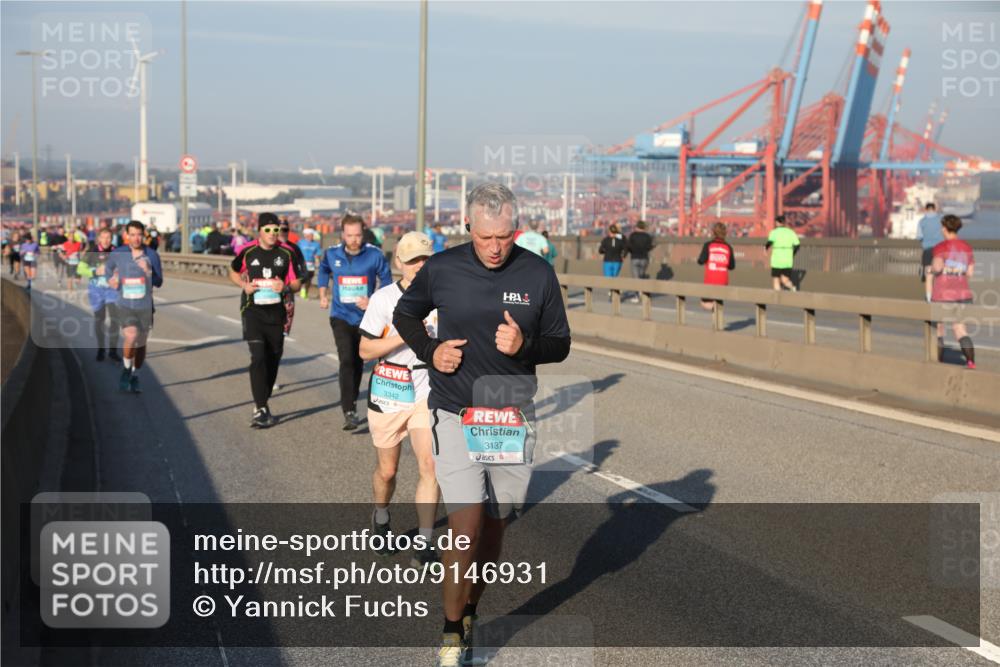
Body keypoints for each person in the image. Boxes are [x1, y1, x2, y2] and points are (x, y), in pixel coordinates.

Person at [393, 183, 571, 667]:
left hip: (510, 415)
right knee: (466, 530)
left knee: (494, 532)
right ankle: (451, 635)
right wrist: (431, 352)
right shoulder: (443, 268)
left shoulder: (538, 273)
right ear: (469, 226)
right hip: (454, 412)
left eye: (506, 236)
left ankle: (469, 608)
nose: (495, 248)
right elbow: (404, 313)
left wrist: (525, 346)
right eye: (486, 236)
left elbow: (560, 342)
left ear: (517, 229)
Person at [358, 231, 441, 567]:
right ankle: (380, 516)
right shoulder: (383, 299)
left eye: (425, 259)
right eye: (412, 261)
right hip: (390, 384)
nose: (419, 267)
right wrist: (399, 336)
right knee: (388, 471)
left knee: (430, 465)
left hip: (427, 385)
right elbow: (364, 351)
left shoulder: (445, 298)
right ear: (398, 263)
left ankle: (424, 541)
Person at [317, 214, 392, 431]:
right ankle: (349, 410)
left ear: (363, 233)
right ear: (343, 234)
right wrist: (323, 292)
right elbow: (323, 270)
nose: (354, 239)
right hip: (340, 315)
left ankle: (365, 402)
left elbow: (386, 281)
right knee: (347, 360)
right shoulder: (332, 254)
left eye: (358, 235)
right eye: (349, 235)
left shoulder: (374, 255)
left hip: (367, 318)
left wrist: (373, 300)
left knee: (359, 361)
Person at [229, 213, 302, 428]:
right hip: (252, 311)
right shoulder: (248, 251)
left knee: (273, 359)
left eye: (276, 230)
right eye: (268, 230)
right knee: (258, 356)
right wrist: (244, 286)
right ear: (260, 231)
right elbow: (233, 271)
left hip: (276, 314)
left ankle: (263, 400)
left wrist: (286, 287)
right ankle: (260, 407)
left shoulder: (286, 253)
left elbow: (297, 283)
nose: (272, 234)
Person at [105, 220, 163, 393]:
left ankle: (135, 374)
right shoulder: (118, 253)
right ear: (126, 236)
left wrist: (149, 272)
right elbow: (108, 270)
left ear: (143, 235)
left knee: (141, 343)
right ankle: (126, 368)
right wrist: (111, 280)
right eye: (132, 235)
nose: (136, 238)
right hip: (125, 303)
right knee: (131, 336)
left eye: (139, 235)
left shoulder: (152, 255)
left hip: (145, 305)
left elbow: (159, 282)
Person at [929, 214, 976, 369]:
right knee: (960, 329)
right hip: (963, 294)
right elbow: (970, 273)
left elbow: (937, 268)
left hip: (943, 294)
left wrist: (931, 269)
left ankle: (938, 361)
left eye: (942, 227)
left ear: (945, 228)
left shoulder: (940, 247)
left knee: (939, 329)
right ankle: (970, 361)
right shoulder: (967, 247)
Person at [79, 228, 121, 361]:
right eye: (103, 237)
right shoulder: (92, 252)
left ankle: (113, 351)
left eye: (109, 237)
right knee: (99, 320)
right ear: (99, 239)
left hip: (112, 290)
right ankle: (101, 349)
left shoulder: (117, 251)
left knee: (115, 319)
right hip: (96, 291)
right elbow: (80, 269)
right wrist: (95, 271)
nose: (106, 240)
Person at [697, 222, 736, 311]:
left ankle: (713, 308)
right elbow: (732, 266)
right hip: (723, 281)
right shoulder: (728, 247)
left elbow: (700, 261)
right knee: (718, 300)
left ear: (713, 233)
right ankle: (716, 321)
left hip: (710, 281)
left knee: (704, 302)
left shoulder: (708, 245)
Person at [277, 221, 307, 337]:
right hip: (269, 293)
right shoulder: (268, 247)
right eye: (278, 230)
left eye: (285, 230)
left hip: (288, 293)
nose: (282, 233)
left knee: (282, 333)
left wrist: (298, 282)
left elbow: (303, 269)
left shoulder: (294, 248)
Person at [916, 202, 943, 302]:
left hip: (927, 252)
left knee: (929, 276)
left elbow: (919, 236)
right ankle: (939, 297)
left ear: (926, 209)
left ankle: (928, 299)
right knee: (939, 275)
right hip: (939, 252)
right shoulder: (941, 220)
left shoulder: (922, 221)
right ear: (935, 209)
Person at [765, 214, 799, 291]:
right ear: (784, 222)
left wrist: (765, 249)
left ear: (777, 223)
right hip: (787, 260)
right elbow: (797, 245)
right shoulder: (791, 232)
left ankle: (777, 298)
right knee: (785, 280)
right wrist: (793, 253)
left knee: (776, 279)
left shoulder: (774, 232)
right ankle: (793, 288)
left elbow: (769, 243)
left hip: (776, 260)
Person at [626, 220, 655, 302]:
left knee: (636, 278)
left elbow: (628, 246)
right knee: (642, 276)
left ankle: (637, 296)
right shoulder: (647, 236)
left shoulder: (632, 235)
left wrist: (629, 252)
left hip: (634, 258)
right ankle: (642, 292)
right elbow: (650, 246)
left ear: (637, 227)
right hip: (644, 258)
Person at [297, 228, 322, 299]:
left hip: (311, 264)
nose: (311, 236)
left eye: (312, 235)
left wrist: (317, 261)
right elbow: (296, 252)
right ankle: (302, 290)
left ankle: (305, 291)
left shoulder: (316, 244)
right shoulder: (300, 242)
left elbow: (318, 254)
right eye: (309, 235)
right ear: (305, 235)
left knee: (309, 278)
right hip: (302, 263)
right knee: (304, 277)